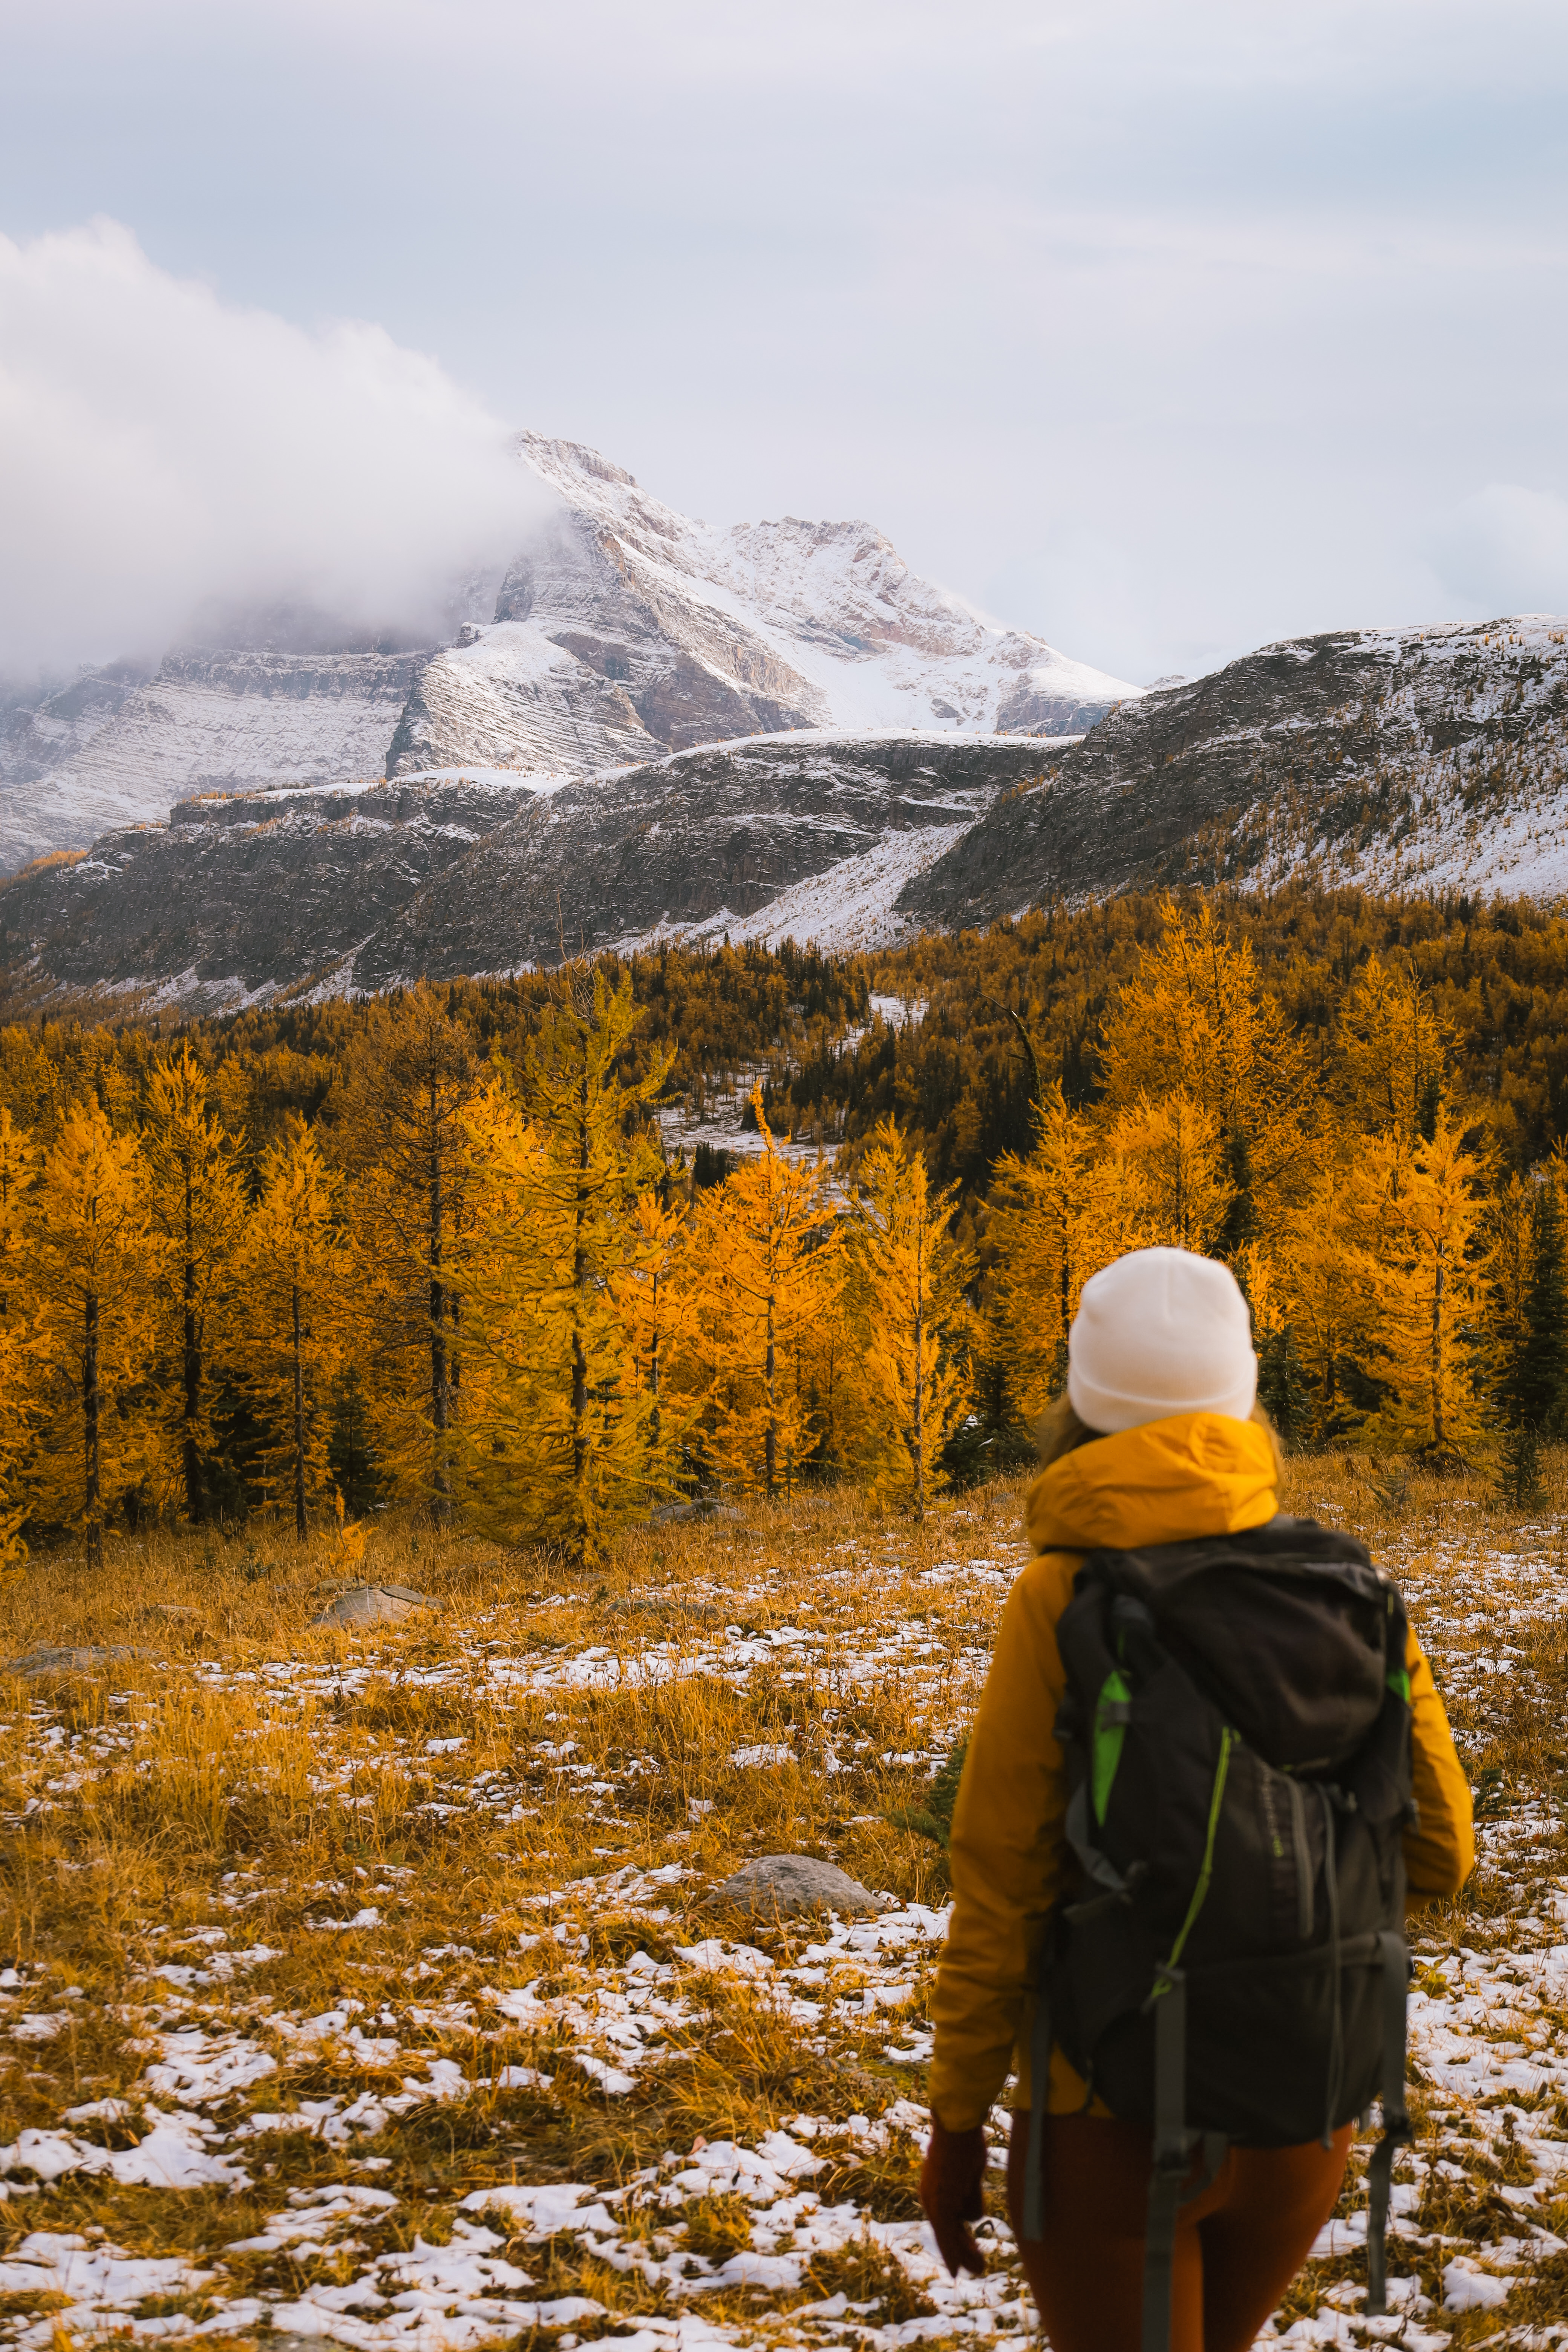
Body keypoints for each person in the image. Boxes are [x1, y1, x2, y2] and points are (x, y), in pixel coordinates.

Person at [919, 1246, 1473, 2352]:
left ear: (1081, 1404)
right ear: (1243, 1400)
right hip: (1305, 2107)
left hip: (1110, 2117)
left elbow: (1004, 1885)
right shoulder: (1356, 1591)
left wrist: (958, 2116)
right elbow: (1443, 1855)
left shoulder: (1061, 1596)